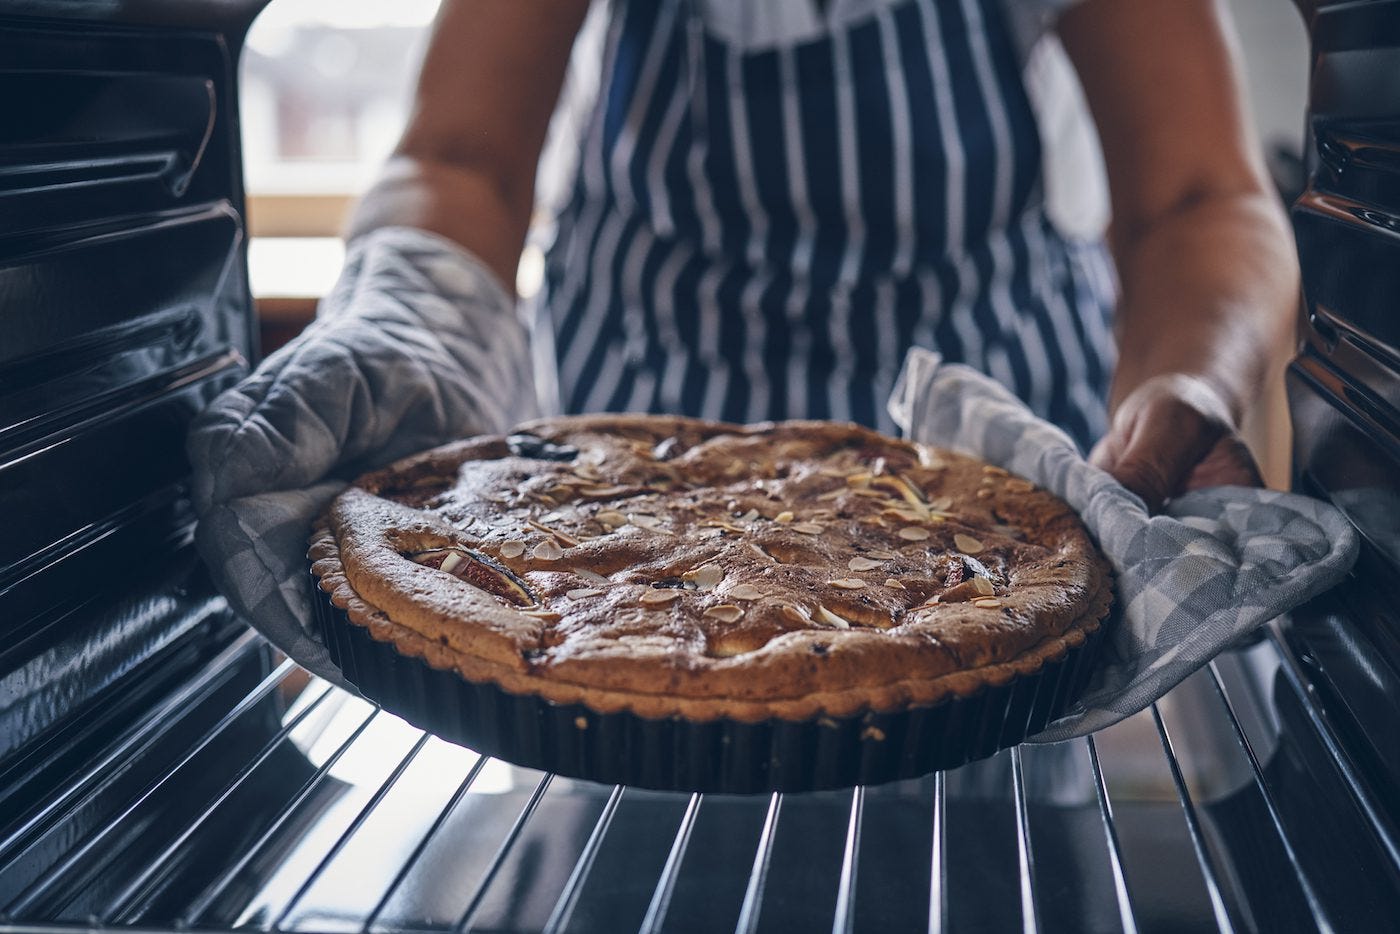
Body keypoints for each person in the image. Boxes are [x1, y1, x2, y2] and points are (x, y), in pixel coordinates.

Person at [189, 0, 1298, 675]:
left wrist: (1184, 378)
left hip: (981, 515)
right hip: (617, 547)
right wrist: (402, 325)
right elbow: (462, 162)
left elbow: (1194, 196)